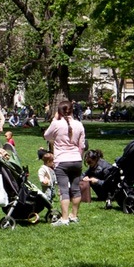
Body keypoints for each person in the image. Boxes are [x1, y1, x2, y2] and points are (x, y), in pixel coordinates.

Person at [44, 97, 88, 227]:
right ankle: (74, 216)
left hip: (62, 160)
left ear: (59, 111)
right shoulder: (79, 124)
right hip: (76, 160)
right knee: (75, 189)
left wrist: (54, 119)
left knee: (64, 190)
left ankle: (64, 219)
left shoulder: (56, 124)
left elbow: (46, 136)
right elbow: (82, 145)